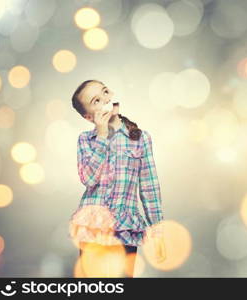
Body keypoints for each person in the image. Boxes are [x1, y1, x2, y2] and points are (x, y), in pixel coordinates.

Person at [68, 79, 166, 277]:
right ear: (88, 117)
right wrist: (102, 136)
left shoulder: (140, 138)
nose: (104, 99)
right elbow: (88, 179)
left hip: (126, 229)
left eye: (105, 92)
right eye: (96, 101)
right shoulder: (86, 140)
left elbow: (149, 187)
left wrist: (157, 231)